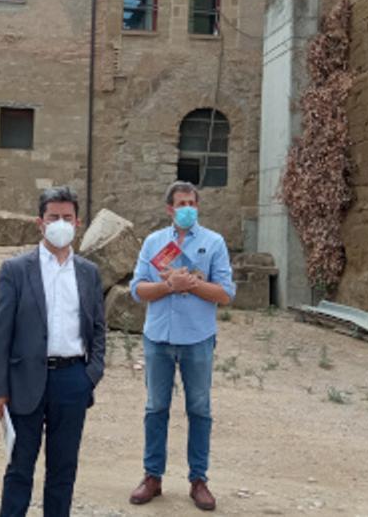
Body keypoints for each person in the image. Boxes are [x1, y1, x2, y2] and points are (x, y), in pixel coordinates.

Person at [0, 186, 107, 517]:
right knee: (19, 467)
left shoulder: (88, 272)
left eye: (67, 217)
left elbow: (98, 327)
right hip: (24, 379)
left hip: (72, 379)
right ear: (39, 222)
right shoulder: (16, 270)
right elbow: (0, 333)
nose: (60, 223)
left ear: (78, 222)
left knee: (63, 470)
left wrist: (91, 374)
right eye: (53, 217)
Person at [128, 180, 235, 512]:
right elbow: (138, 290)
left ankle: (198, 480)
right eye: (181, 203)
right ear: (169, 209)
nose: (187, 208)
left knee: (199, 409)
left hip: (197, 338)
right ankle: (152, 477)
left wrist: (193, 285)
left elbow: (226, 294)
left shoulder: (214, 242)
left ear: (197, 207)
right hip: (158, 337)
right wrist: (169, 286)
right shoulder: (153, 243)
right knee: (155, 408)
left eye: (192, 202)